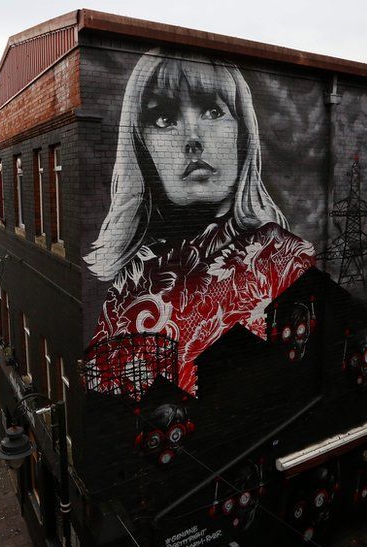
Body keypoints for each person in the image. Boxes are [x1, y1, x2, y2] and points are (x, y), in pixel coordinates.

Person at [83, 48, 315, 399]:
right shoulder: (131, 281)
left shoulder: (284, 260)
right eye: (163, 118)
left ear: (242, 133)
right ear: (142, 147)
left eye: (212, 111)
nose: (192, 138)